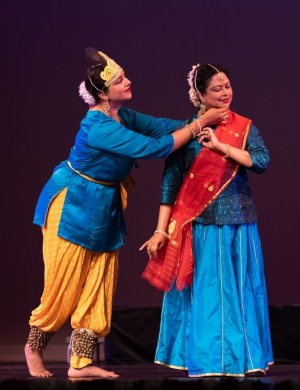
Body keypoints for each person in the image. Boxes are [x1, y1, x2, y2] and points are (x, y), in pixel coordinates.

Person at [24, 49, 226, 379]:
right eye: (120, 80)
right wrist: (201, 123)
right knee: (64, 284)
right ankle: (33, 349)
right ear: (102, 93)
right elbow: (154, 148)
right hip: (71, 204)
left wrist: (199, 121)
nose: (128, 81)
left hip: (103, 205)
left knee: (99, 282)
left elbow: (161, 128)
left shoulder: (122, 116)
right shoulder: (98, 127)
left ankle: (81, 363)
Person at [141, 63, 273, 377]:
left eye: (227, 85)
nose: (225, 92)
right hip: (201, 224)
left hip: (240, 221)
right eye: (217, 88)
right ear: (199, 94)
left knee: (241, 290)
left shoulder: (244, 127)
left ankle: (245, 359)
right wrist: (161, 229)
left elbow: (261, 161)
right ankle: (211, 360)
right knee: (209, 292)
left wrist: (221, 146)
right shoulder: (186, 132)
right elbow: (170, 184)